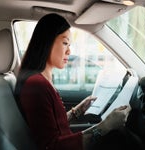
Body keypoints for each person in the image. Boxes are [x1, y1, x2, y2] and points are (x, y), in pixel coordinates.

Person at [14, 13, 131, 150]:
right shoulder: (37, 85)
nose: (69, 51)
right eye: (65, 43)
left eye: (69, 45)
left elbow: (53, 125)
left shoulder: (41, 81)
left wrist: (78, 110)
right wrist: (106, 126)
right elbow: (52, 146)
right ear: (47, 41)